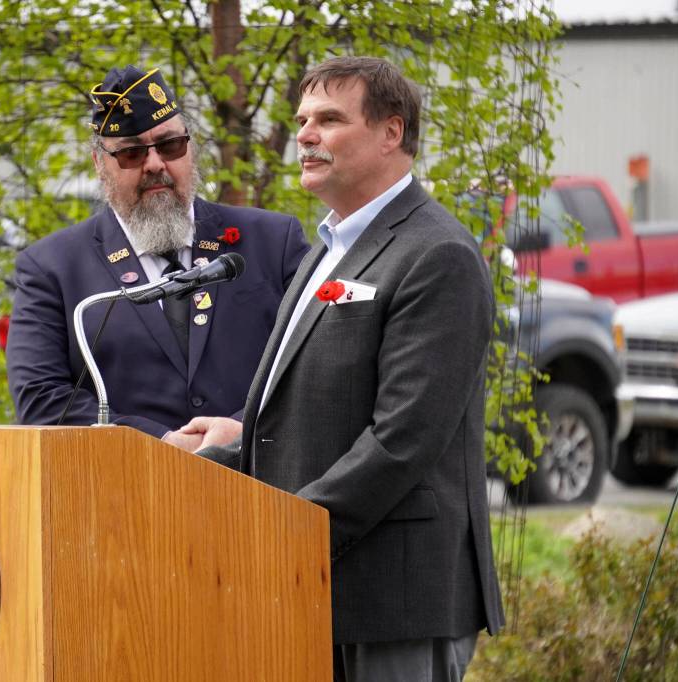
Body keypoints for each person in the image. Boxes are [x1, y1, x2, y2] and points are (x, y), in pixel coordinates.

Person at [182, 56, 504, 681]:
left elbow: (402, 438)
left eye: (329, 119)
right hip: (315, 588)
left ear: (391, 132)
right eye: (303, 119)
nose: (304, 134)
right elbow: (314, 413)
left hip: (395, 601)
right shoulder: (328, 249)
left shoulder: (437, 255)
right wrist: (218, 454)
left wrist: (288, 534)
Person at [6, 65, 309, 449]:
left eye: (169, 146)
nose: (154, 165)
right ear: (101, 165)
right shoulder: (52, 267)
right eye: (131, 153)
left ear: (190, 148)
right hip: (127, 495)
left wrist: (240, 430)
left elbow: (312, 361)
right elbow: (41, 398)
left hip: (261, 484)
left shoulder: (271, 240)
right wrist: (160, 444)